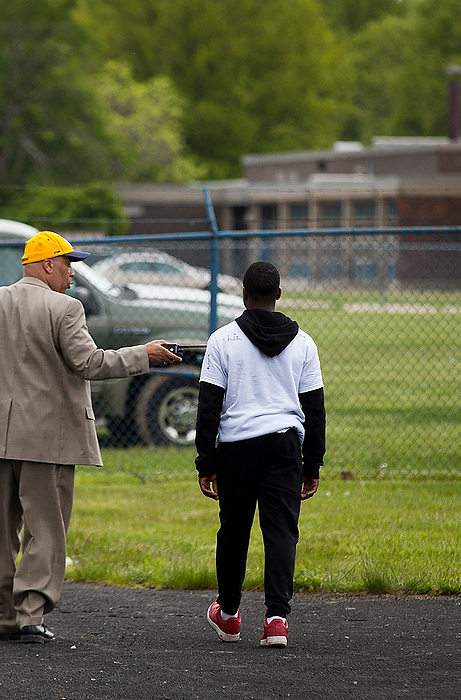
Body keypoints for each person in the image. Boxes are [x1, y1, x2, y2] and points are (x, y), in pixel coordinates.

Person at [0, 230, 181, 644]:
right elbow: (89, 364)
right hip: (47, 439)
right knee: (46, 529)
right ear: (46, 264)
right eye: (68, 264)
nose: (73, 274)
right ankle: (31, 614)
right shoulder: (65, 308)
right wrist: (142, 354)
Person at [195, 260, 326, 649]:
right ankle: (276, 620)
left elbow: (209, 407)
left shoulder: (223, 340)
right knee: (281, 532)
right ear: (278, 296)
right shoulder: (304, 343)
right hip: (285, 446)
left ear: (244, 295)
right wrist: (312, 464)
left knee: (233, 530)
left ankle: (230, 614)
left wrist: (207, 462)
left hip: (237, 448)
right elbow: (314, 409)